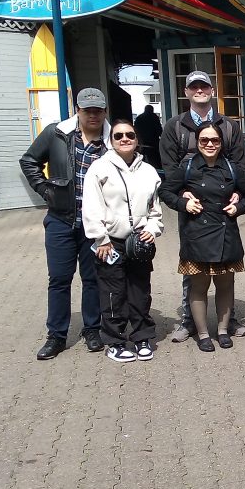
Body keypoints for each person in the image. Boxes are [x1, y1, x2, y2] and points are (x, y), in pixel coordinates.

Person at [21, 87, 111, 360]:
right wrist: (45, 190)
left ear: (104, 111)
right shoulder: (56, 133)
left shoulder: (112, 140)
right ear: (78, 110)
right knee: (59, 279)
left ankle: (92, 329)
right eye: (88, 110)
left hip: (95, 223)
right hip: (61, 219)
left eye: (98, 110)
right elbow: (28, 161)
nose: (93, 115)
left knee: (93, 279)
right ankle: (57, 335)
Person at [160, 70, 245, 343]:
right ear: (186, 92)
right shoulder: (175, 126)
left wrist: (237, 193)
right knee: (194, 268)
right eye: (193, 87)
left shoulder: (229, 126)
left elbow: (240, 164)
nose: (199, 90)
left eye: (204, 86)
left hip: (222, 205)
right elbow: (169, 167)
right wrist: (184, 194)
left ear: (212, 90)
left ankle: (228, 322)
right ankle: (190, 322)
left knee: (225, 268)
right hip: (193, 206)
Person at [82, 120, 163, 362]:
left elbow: (155, 209)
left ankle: (142, 336)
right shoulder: (99, 168)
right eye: (119, 136)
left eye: (130, 135)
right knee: (113, 293)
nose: (124, 139)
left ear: (137, 139)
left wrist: (152, 228)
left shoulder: (148, 171)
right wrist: (101, 238)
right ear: (111, 140)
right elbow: (91, 206)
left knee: (140, 290)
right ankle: (115, 340)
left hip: (139, 241)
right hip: (110, 242)